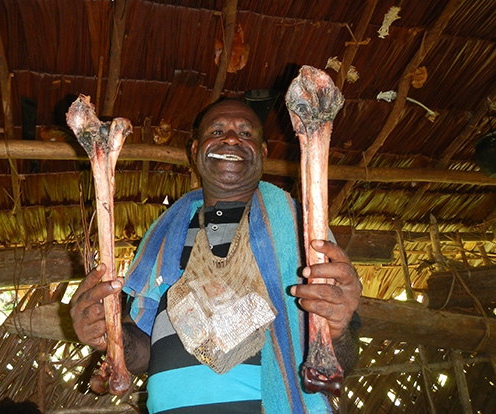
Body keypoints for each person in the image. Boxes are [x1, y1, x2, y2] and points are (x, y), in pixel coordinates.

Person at [70, 99, 362, 413]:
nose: (232, 139)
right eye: (218, 130)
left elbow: (342, 361)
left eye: (246, 133)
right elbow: (141, 353)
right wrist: (109, 337)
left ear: (263, 153)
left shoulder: (302, 233)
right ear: (195, 150)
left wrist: (337, 331)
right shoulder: (164, 237)